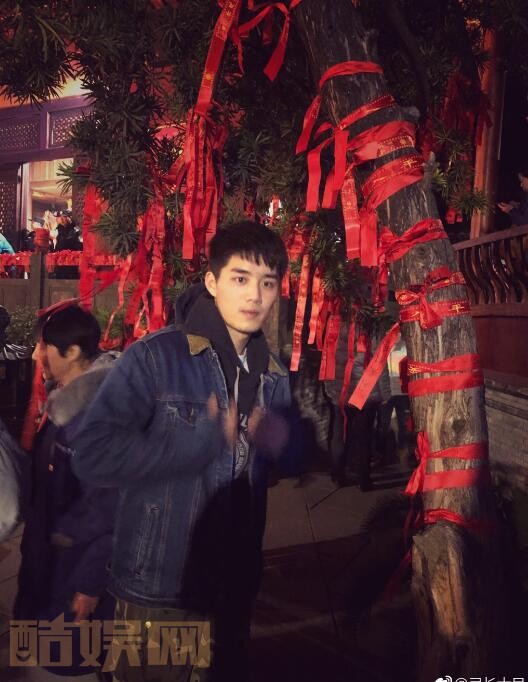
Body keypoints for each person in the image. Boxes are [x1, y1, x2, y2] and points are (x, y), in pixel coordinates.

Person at [72, 221, 292, 682]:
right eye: (240, 278)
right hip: (161, 587)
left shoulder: (272, 374)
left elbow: (264, 472)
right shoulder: (157, 357)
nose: (254, 295)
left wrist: (280, 443)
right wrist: (197, 442)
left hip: (233, 590)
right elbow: (92, 452)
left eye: (267, 283)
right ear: (212, 282)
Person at [14, 304, 118, 680]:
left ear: (72, 352)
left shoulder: (97, 416)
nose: (35, 355)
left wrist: (89, 584)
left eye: (43, 347)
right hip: (48, 562)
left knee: (63, 666)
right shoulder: (66, 400)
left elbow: (110, 511)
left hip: (73, 574)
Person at [325, 324, 391, 491]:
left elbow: (328, 359)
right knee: (364, 437)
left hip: (341, 393)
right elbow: (381, 363)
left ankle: (338, 474)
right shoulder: (373, 328)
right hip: (366, 393)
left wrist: (330, 389)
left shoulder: (336, 325)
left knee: (340, 435)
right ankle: (364, 479)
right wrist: (385, 393)